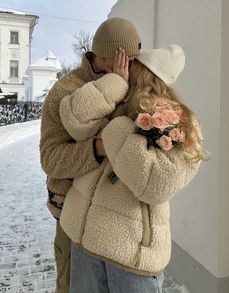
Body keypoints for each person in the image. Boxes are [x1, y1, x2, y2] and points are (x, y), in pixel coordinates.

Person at [59, 44, 206, 292]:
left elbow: (156, 184)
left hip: (130, 254)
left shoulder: (177, 119)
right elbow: (73, 117)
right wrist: (115, 83)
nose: (122, 67)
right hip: (83, 240)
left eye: (131, 64)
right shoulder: (116, 97)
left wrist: (117, 130)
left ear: (143, 71)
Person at [39, 17, 141, 293]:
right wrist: (96, 149)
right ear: (108, 57)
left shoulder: (133, 82)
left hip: (117, 220)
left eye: (134, 61)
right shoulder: (65, 92)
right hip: (72, 216)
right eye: (126, 61)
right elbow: (51, 159)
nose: (131, 69)